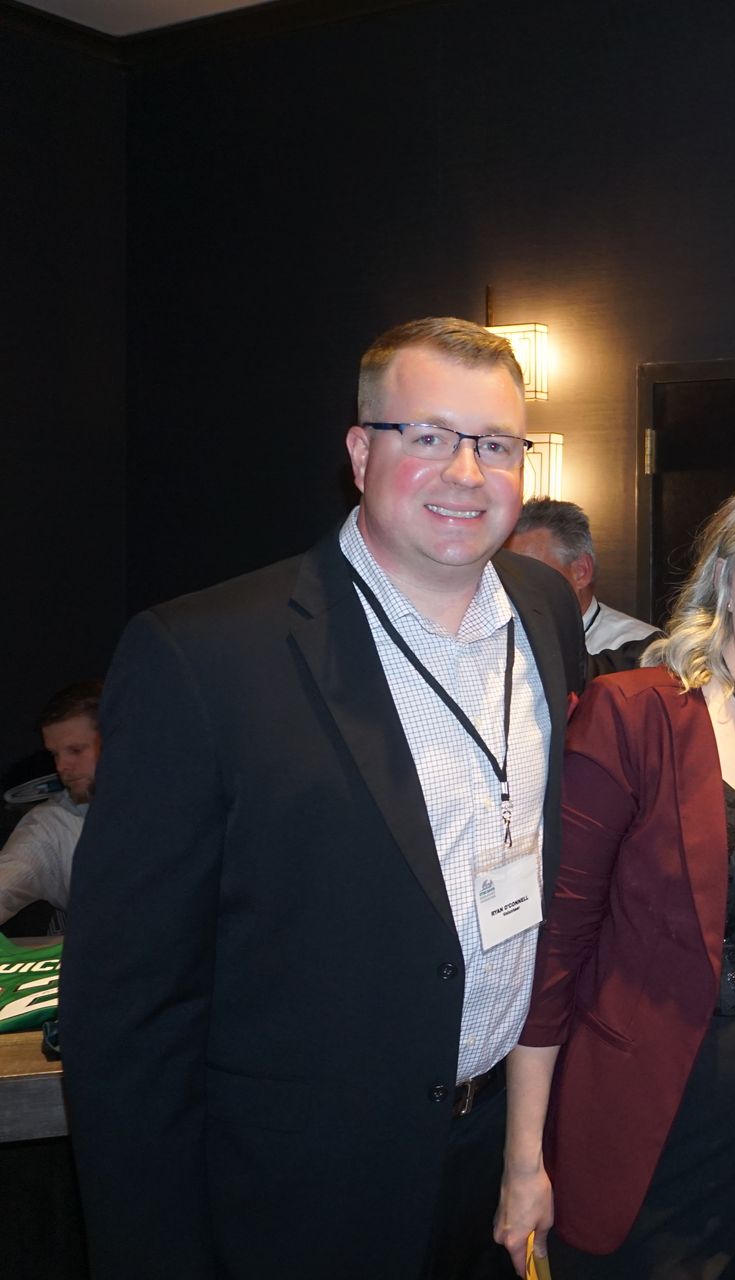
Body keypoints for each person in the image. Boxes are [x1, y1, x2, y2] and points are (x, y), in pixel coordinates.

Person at [62, 317, 585, 1280]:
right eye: (426, 435)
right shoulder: (204, 657)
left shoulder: (547, 614)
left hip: (493, 1162)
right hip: (299, 1192)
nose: (466, 472)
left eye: (496, 445)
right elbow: (128, 1015)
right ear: (358, 451)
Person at [495, 466, 735, 1277]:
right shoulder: (634, 716)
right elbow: (553, 955)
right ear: (726, 581)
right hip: (667, 1118)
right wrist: (525, 1158)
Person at [508, 497, 660, 671]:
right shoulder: (505, 639)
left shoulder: (640, 649)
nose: (514, 587)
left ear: (581, 572)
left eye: (530, 572)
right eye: (509, 573)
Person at [0, 680, 102, 933]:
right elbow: (7, 884)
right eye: (55, 754)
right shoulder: (52, 824)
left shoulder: (185, 806)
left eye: (76, 751)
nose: (61, 767)